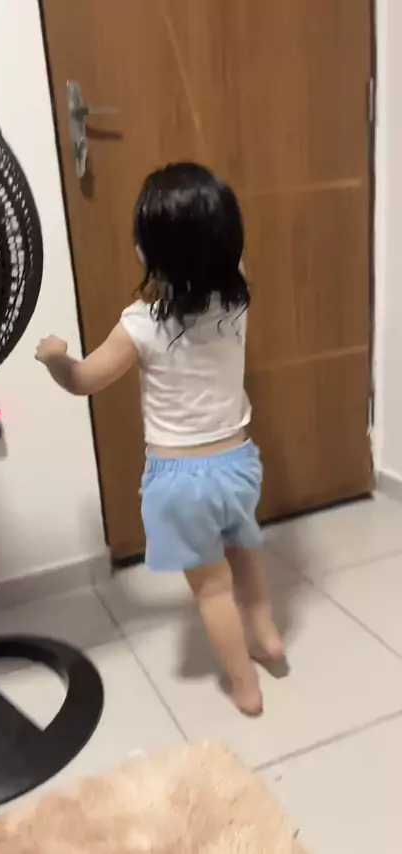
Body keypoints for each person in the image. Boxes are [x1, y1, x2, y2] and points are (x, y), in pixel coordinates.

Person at [36, 162, 284, 715]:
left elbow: (84, 380)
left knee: (211, 587)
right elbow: (225, 254)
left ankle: (244, 684)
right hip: (239, 463)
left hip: (181, 482)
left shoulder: (141, 324)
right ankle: (268, 637)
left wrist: (56, 359)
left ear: (148, 253)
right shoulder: (237, 300)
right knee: (243, 553)